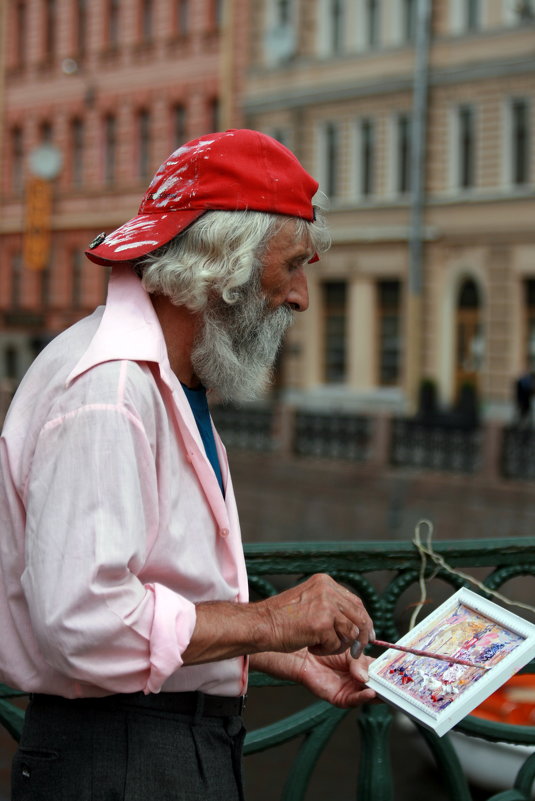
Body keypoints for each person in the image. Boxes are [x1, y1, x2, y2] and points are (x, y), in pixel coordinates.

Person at [0, 129, 376, 801]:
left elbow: (156, 593)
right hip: (119, 757)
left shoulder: (163, 379)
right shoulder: (109, 390)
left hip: (145, 746)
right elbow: (87, 623)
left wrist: (278, 653)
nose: (299, 297)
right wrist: (275, 618)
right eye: (289, 264)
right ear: (220, 264)